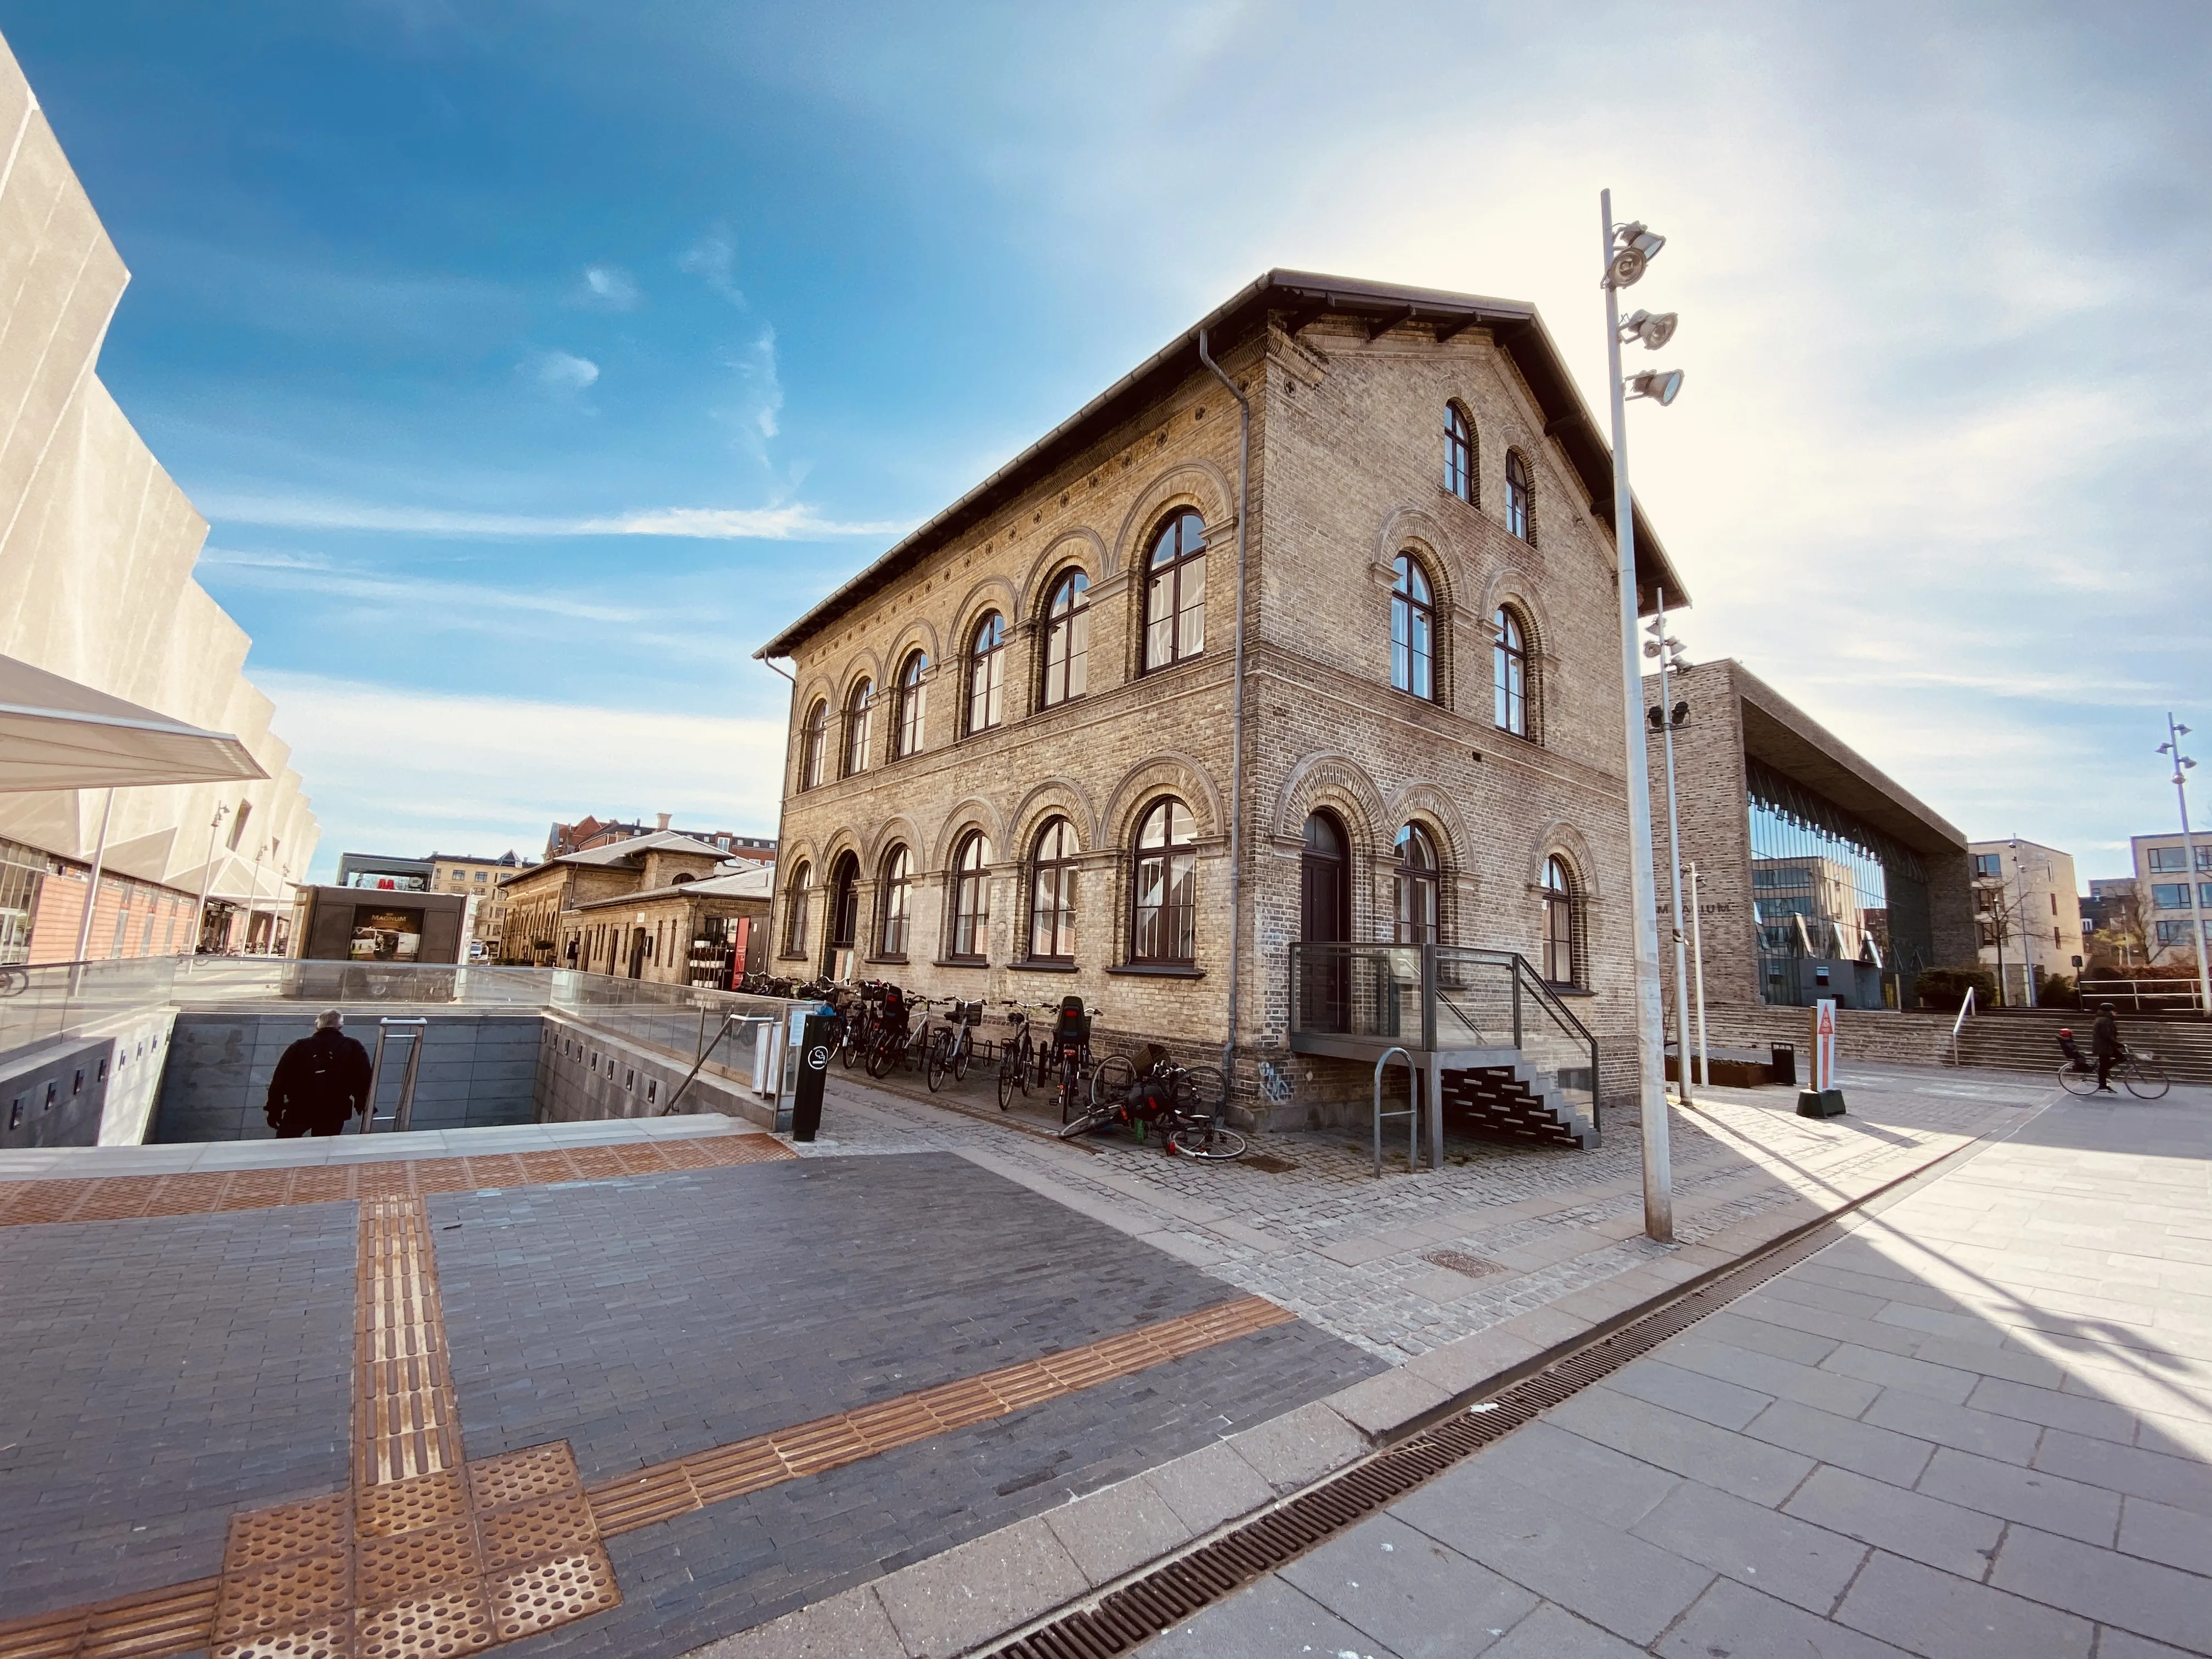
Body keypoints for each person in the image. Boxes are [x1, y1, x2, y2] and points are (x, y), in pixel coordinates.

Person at [264, 1009, 374, 1137]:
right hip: (334, 1108)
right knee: (325, 1148)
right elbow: (363, 1079)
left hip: (300, 1107)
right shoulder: (353, 1046)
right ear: (340, 1026)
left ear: (318, 1025)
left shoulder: (299, 1047)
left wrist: (274, 1110)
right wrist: (363, 1103)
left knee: (286, 1144)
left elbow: (280, 1081)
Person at [2091, 1001, 2123, 1093]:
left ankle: (2106, 1070)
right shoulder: (2104, 1021)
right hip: (2103, 1047)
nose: (2116, 1013)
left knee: (2121, 1057)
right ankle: (2102, 1086)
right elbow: (2106, 1036)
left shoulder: (2106, 1019)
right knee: (2104, 1066)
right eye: (2114, 1011)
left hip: (2107, 1046)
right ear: (2109, 1012)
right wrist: (2119, 1044)